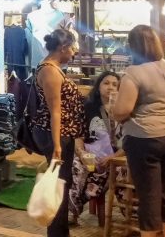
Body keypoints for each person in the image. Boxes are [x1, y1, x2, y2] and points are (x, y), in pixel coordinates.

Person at [112, 25, 165, 237]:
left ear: (133, 46)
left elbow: (122, 110)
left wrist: (114, 110)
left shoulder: (133, 73)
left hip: (147, 139)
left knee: (149, 196)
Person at [32, 28, 85, 237]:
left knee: (62, 184)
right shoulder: (50, 71)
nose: (73, 53)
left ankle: (60, 232)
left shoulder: (53, 68)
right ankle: (57, 233)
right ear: (63, 48)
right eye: (72, 48)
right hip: (56, 134)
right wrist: (57, 146)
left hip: (61, 134)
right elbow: (55, 111)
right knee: (59, 185)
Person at [68, 71, 123, 225]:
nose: (110, 87)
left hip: (117, 157)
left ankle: (135, 216)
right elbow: (78, 134)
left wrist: (113, 157)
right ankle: (72, 212)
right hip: (92, 155)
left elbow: (129, 141)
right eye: (106, 83)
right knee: (76, 166)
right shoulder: (88, 106)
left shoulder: (124, 109)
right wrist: (81, 152)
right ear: (98, 86)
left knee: (125, 171)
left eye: (115, 84)